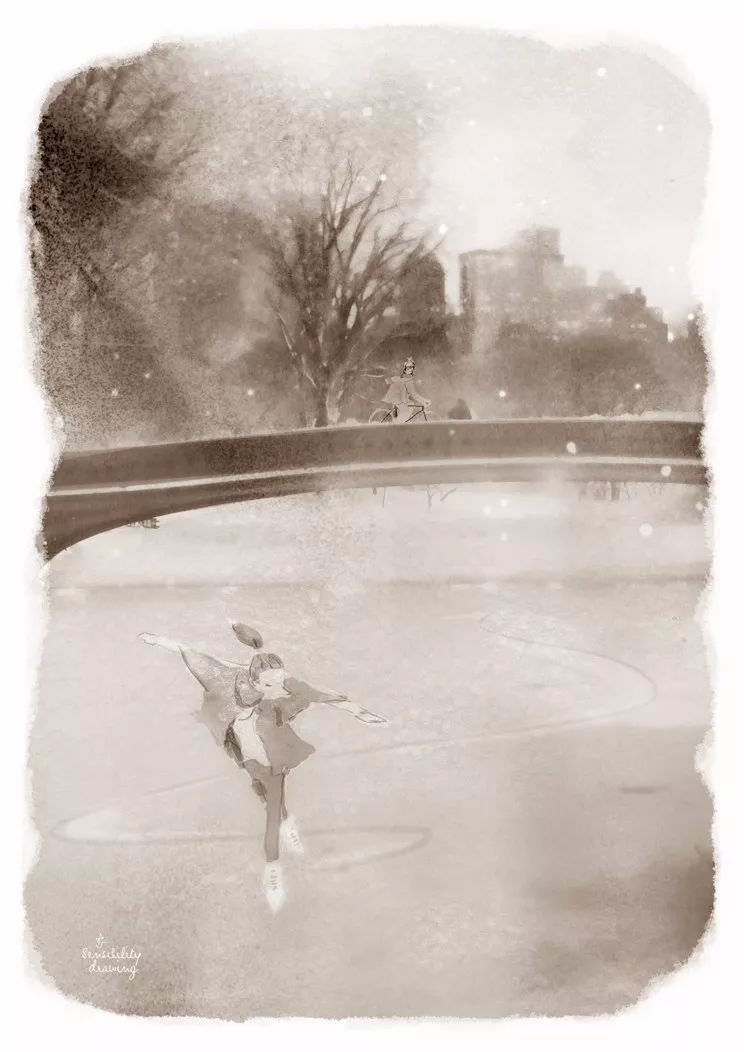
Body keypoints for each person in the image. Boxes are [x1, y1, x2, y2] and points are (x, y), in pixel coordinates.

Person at [140, 623, 386, 913]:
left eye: (281, 681)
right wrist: (158, 640)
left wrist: (359, 712)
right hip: (243, 746)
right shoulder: (230, 678)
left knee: (271, 807)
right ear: (254, 682)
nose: (279, 687)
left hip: (273, 746)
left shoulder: (282, 690)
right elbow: (194, 654)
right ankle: (288, 821)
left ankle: (273, 868)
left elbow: (318, 694)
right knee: (264, 796)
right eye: (271, 684)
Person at [382, 357, 431, 422]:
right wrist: (424, 401)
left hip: (397, 398)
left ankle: (401, 421)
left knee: (411, 404)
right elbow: (413, 394)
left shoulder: (403, 378)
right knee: (406, 410)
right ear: (405, 368)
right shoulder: (406, 379)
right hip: (397, 399)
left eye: (412, 367)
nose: (411, 369)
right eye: (409, 367)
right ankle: (398, 424)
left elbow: (387, 381)